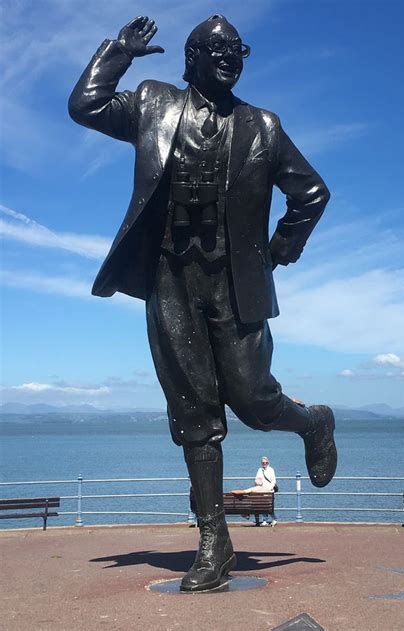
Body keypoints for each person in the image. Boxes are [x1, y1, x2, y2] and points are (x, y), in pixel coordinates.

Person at [69, 14, 336, 592]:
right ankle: (214, 542)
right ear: (189, 58)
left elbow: (311, 191)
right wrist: (120, 52)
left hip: (236, 283)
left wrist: (282, 246)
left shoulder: (263, 125)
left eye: (235, 50)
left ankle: (313, 422)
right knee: (194, 411)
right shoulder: (153, 105)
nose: (226, 56)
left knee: (253, 400)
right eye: (214, 49)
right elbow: (86, 107)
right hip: (171, 278)